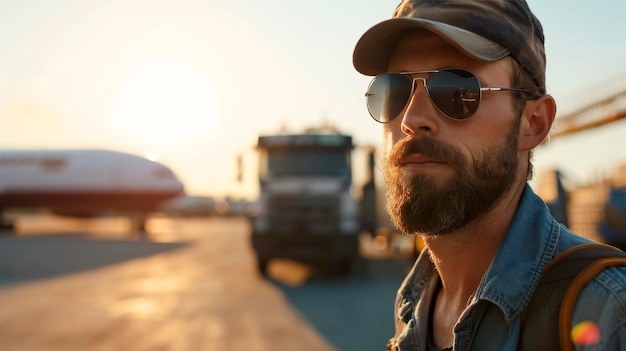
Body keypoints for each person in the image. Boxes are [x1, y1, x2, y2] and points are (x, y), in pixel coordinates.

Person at [352, 1, 626, 350]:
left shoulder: (609, 312)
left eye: (456, 91)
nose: (411, 119)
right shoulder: (415, 303)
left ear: (533, 124)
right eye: (393, 91)